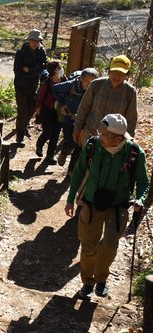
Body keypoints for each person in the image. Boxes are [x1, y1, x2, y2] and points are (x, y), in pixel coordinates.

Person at [64, 114, 149, 300]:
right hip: (91, 205)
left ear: (119, 138)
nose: (99, 136)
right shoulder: (93, 146)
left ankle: (101, 279)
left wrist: (140, 199)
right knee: (88, 245)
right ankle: (87, 283)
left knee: (110, 246)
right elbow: (78, 172)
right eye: (100, 132)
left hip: (117, 207)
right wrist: (70, 199)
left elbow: (143, 181)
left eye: (104, 134)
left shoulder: (134, 153)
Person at [73, 55, 137, 146]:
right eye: (114, 72)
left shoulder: (130, 92)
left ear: (127, 75)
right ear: (109, 71)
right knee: (88, 159)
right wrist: (77, 128)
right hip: (91, 133)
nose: (117, 76)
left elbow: (131, 119)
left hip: (113, 140)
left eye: (121, 73)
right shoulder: (96, 85)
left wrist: (129, 141)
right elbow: (84, 108)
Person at [53, 68, 98, 174]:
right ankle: (64, 152)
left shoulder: (96, 89)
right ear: (81, 79)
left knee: (80, 145)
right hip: (69, 119)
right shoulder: (71, 85)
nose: (89, 84)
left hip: (85, 121)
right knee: (71, 142)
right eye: (87, 81)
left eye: (92, 82)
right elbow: (55, 88)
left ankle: (71, 170)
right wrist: (62, 103)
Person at [14, 29, 47, 147]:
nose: (35, 43)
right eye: (33, 40)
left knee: (32, 108)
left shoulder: (42, 51)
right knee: (22, 111)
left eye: (37, 41)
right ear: (29, 40)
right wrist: (34, 71)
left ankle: (23, 126)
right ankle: (19, 136)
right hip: (21, 85)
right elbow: (18, 71)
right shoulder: (21, 52)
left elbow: (43, 68)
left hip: (33, 85)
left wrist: (29, 70)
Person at [34, 60, 65, 164]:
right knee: (47, 132)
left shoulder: (64, 80)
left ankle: (50, 155)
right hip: (47, 111)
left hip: (59, 112)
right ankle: (39, 144)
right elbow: (39, 99)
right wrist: (38, 112)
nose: (61, 69)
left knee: (55, 134)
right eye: (59, 68)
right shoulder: (46, 84)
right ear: (54, 71)